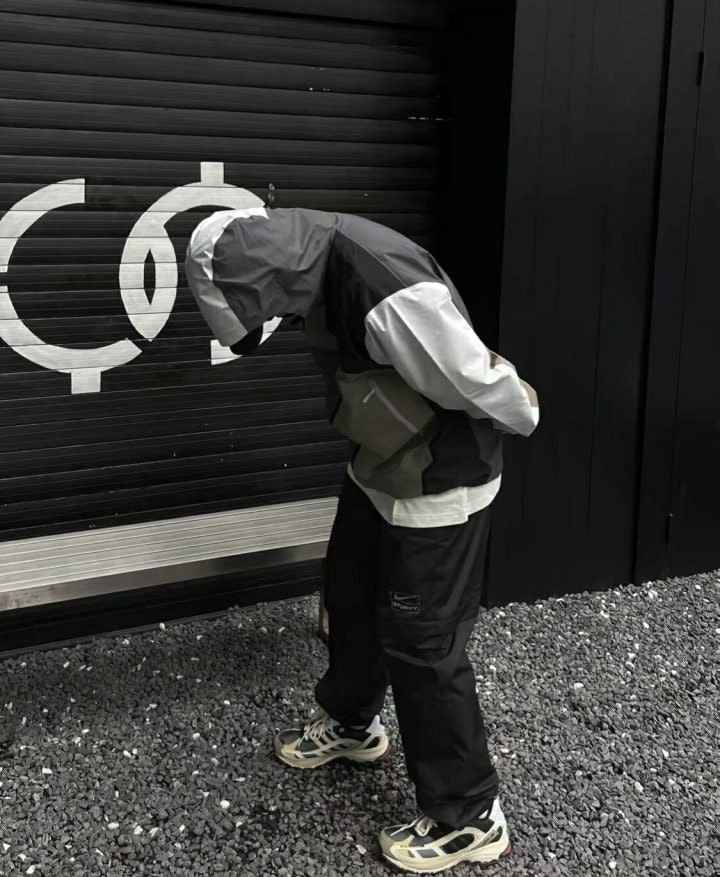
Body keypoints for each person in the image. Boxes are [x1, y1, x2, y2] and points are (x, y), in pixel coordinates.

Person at [185, 207, 539, 873]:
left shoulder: (386, 290)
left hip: (439, 480)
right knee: (349, 598)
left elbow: (476, 379)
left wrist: (525, 408)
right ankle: (352, 723)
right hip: (379, 465)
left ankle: (469, 815)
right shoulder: (306, 260)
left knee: (423, 644)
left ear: (262, 280)